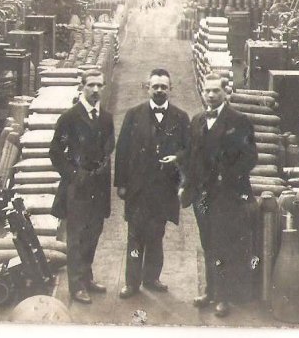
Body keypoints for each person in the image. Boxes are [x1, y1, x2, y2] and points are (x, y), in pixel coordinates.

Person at [179, 73, 258, 318]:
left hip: (226, 195)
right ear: (203, 93)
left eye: (216, 91)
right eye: (207, 91)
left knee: (223, 244)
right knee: (207, 243)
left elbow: (250, 157)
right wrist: (186, 184)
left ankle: (223, 297)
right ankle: (209, 291)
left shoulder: (239, 121)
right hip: (202, 195)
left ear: (225, 92)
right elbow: (191, 156)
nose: (211, 95)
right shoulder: (197, 120)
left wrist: (228, 178)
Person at [114, 69, 191, 298]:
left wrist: (177, 158)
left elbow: (189, 149)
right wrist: (121, 184)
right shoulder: (133, 115)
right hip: (137, 189)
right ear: (147, 88)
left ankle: (151, 278)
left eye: (163, 87)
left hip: (164, 188)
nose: (159, 90)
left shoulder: (180, 117)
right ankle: (132, 282)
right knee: (135, 235)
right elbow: (122, 150)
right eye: (155, 86)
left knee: (157, 234)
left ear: (170, 89)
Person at [49, 69, 115, 304]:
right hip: (77, 189)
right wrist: (74, 175)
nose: (95, 90)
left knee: (93, 234)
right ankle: (76, 286)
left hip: (99, 188)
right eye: (91, 85)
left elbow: (109, 147)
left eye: (99, 85)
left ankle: (87, 278)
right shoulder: (69, 118)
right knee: (76, 237)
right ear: (82, 87)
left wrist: (103, 170)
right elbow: (55, 152)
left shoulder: (106, 118)